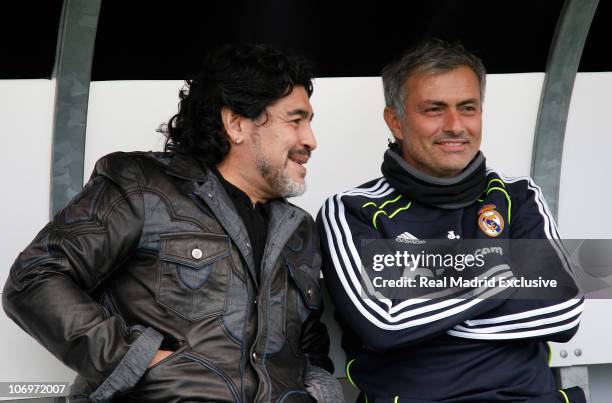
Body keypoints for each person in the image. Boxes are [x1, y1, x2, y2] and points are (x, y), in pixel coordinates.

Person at [3, 44, 342, 403]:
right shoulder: (142, 184)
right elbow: (35, 277)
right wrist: (132, 357)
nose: (310, 140)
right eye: (295, 119)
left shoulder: (299, 228)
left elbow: (309, 346)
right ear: (237, 123)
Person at [317, 39, 585, 402]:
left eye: (468, 108)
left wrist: (427, 304)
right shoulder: (353, 210)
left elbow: (562, 311)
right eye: (434, 110)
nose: (455, 125)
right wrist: (498, 275)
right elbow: (385, 322)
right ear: (395, 121)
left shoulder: (518, 197)